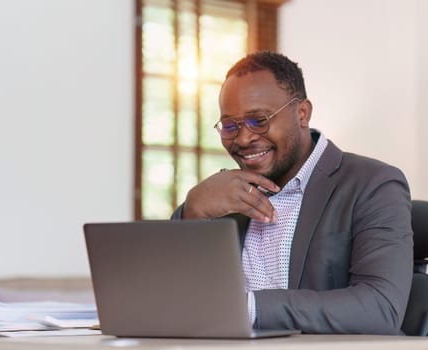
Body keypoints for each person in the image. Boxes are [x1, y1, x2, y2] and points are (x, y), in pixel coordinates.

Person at [171, 51, 413, 335]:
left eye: (258, 121)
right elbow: (176, 299)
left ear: (302, 113)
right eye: (229, 126)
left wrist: (248, 308)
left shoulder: (373, 184)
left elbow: (380, 308)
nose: (244, 138)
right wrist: (192, 211)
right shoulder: (224, 196)